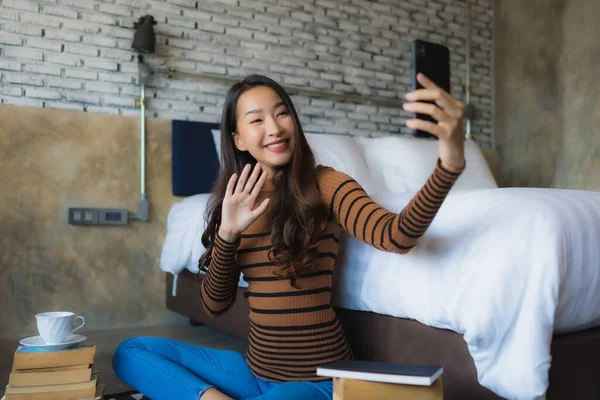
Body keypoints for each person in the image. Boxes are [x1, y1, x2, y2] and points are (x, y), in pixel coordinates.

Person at [112, 73, 466, 400]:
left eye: (282, 114)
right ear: (237, 138)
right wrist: (227, 234)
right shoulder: (233, 203)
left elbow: (397, 235)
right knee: (130, 353)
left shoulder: (326, 184)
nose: (275, 128)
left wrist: (448, 165)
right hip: (254, 373)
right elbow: (214, 306)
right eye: (256, 120)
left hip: (319, 383)